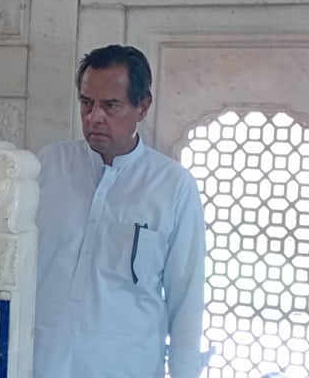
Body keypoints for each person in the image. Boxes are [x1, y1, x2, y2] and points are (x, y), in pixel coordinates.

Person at [32, 44, 207, 378]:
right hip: (42, 360)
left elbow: (186, 296)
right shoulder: (47, 166)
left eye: (110, 106)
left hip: (126, 365)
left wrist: (185, 372)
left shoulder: (174, 187)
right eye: (86, 103)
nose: (94, 116)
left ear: (143, 107)